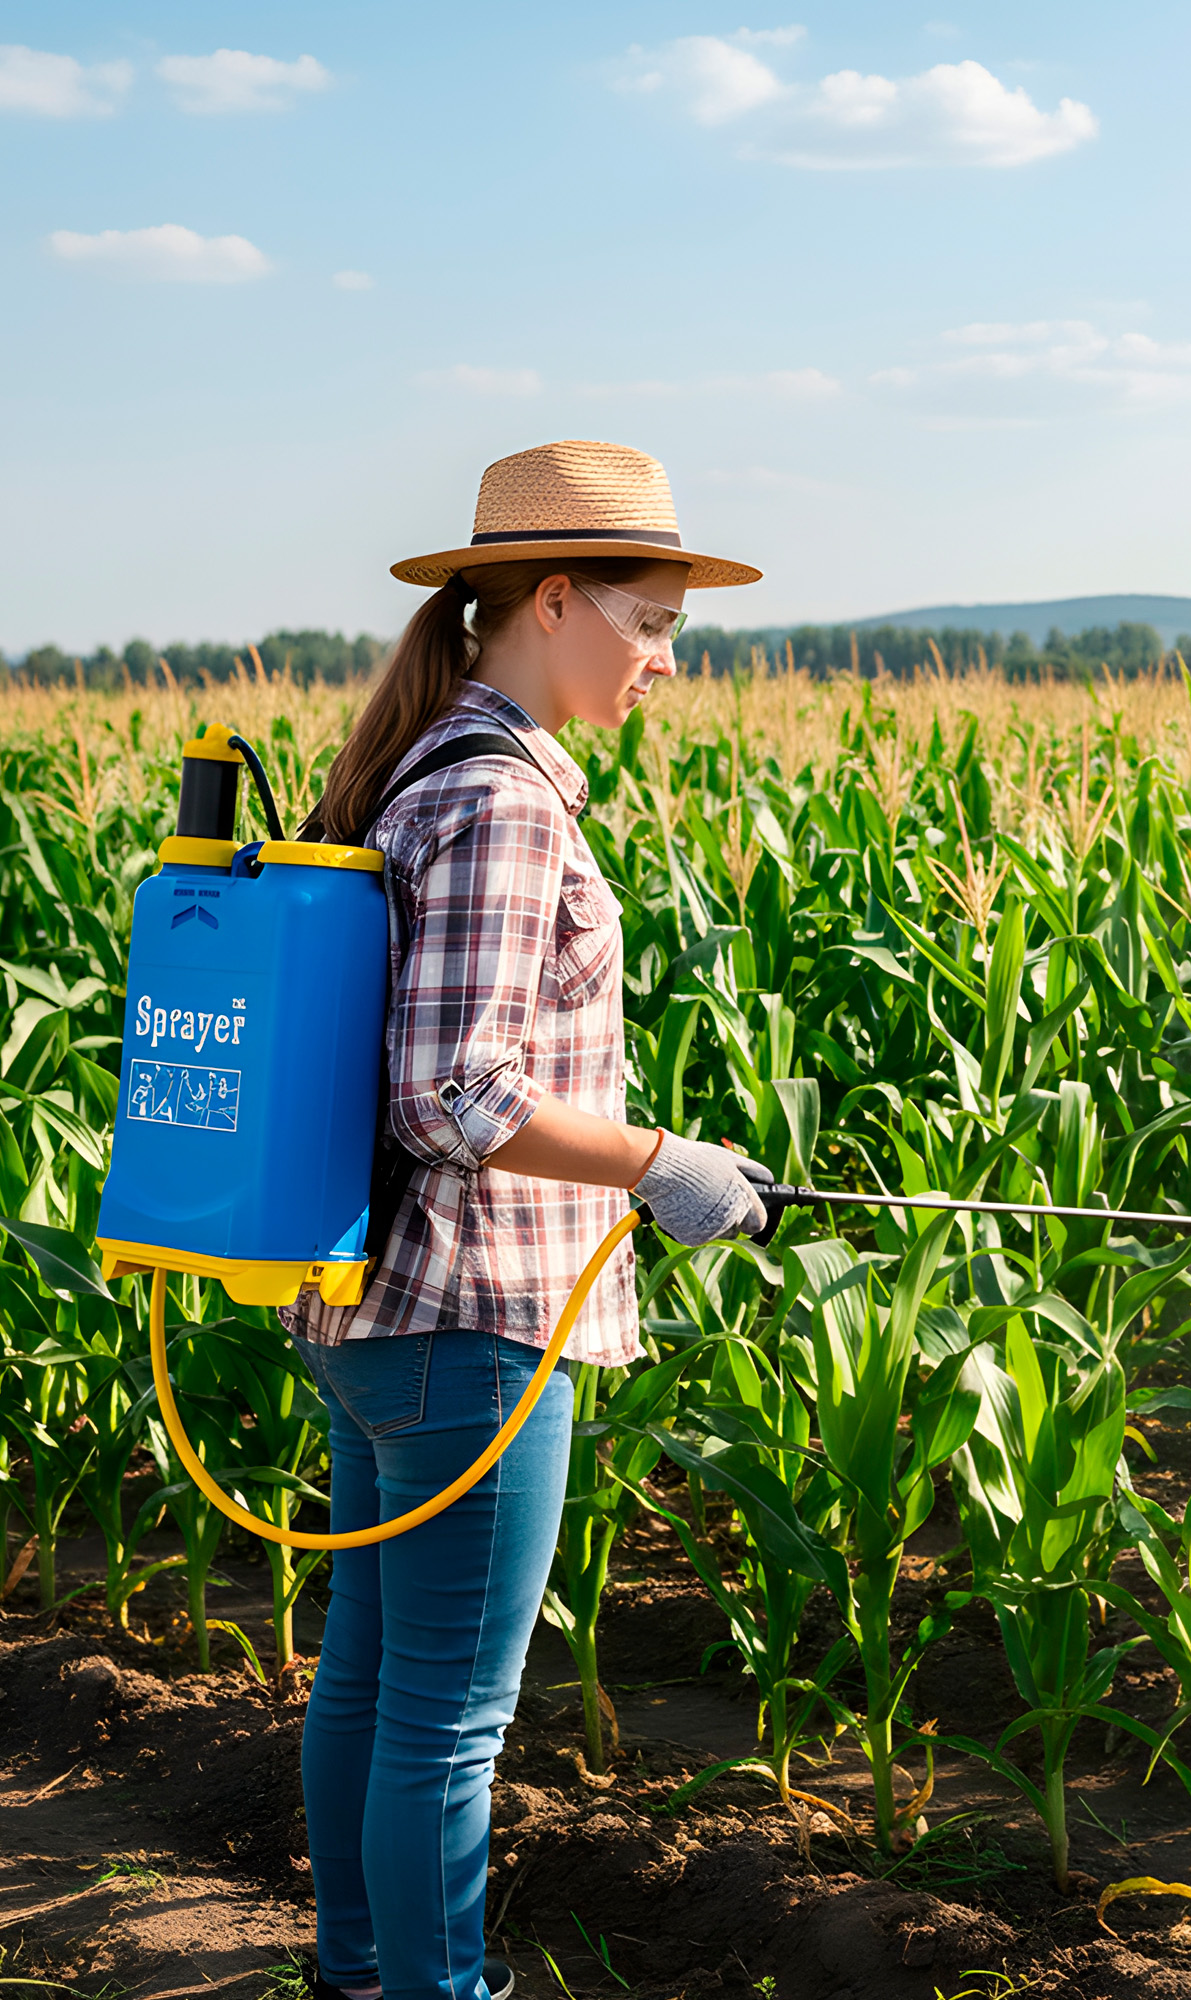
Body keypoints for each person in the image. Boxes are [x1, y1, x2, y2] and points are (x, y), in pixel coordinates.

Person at [284, 440, 769, 2000]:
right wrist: (657, 1163)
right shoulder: (501, 799)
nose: (666, 661)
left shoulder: (430, 765)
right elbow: (456, 1092)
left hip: (382, 1320)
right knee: (446, 1715)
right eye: (648, 619)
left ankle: (358, 1979)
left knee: (368, 1681)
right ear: (552, 599)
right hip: (472, 1326)